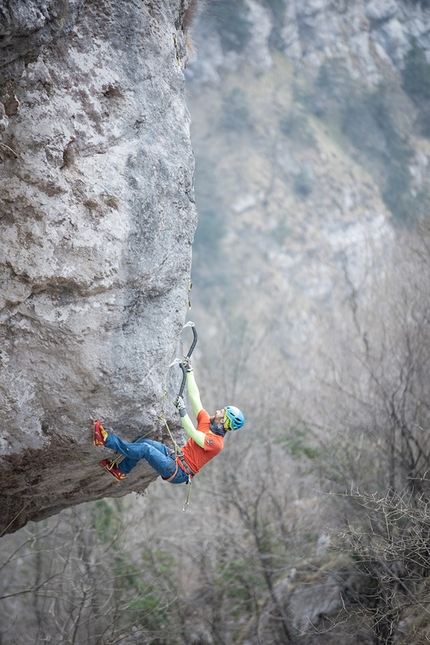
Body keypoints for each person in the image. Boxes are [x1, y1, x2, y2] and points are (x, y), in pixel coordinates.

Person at [93, 357, 245, 482]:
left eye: (222, 413)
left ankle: (106, 441)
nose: (218, 411)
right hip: (175, 459)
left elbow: (191, 432)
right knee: (143, 441)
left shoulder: (217, 444)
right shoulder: (207, 422)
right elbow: (195, 397)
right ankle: (120, 470)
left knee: (146, 450)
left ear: (224, 422)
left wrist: (182, 410)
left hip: (179, 472)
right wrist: (190, 372)